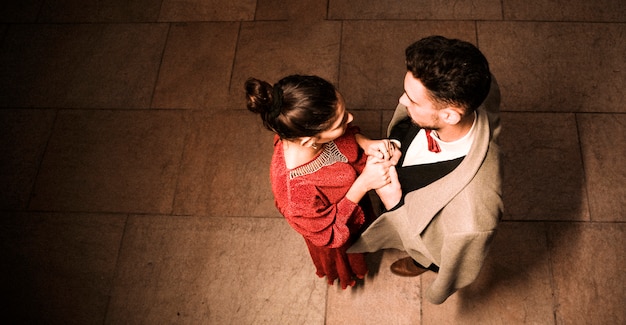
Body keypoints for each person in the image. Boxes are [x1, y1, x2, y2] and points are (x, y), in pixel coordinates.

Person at [348, 35, 503, 304]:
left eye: (412, 100)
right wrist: (396, 142)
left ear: (450, 115)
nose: (402, 100)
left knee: (430, 257)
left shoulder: (474, 219)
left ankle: (419, 263)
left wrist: (394, 203)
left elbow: (452, 261)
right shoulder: (481, 86)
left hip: (430, 241)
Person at [245, 75, 399, 289]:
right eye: (340, 121)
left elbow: (344, 137)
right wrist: (363, 184)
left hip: (353, 203)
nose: (351, 118)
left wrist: (365, 143)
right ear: (309, 140)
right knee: (350, 249)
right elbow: (331, 232)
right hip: (337, 228)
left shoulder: (301, 134)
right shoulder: (295, 195)